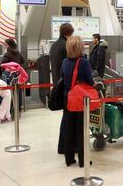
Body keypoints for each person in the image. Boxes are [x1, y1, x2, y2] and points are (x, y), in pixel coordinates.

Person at [61, 36, 94, 167]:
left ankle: (69, 159)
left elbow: (62, 78)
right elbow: (91, 81)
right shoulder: (84, 62)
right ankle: (83, 160)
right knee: (82, 130)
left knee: (68, 129)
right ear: (80, 47)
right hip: (81, 100)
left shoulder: (64, 62)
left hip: (67, 98)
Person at [49, 23, 74, 154]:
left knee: (66, 117)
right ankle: (66, 147)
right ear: (70, 33)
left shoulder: (54, 45)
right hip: (67, 86)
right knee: (69, 118)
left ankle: (63, 146)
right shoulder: (66, 46)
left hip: (58, 84)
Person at [0, 39, 25, 111]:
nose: (5, 46)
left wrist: (0, 64)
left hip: (8, 76)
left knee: (8, 92)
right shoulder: (18, 52)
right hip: (17, 75)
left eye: (6, 45)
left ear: (9, 45)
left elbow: (2, 64)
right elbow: (23, 61)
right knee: (17, 91)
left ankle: (10, 109)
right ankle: (18, 108)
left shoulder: (7, 54)